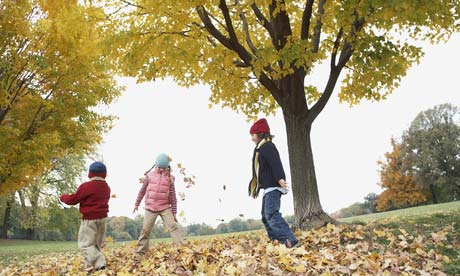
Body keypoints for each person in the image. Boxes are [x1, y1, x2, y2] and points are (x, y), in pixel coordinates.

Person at [248, 118, 299, 248]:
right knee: (265, 216)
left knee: (271, 214)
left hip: (274, 186)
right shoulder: (260, 149)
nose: (252, 138)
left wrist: (280, 178)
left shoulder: (268, 147)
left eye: (253, 135)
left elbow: (275, 164)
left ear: (260, 134)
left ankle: (290, 240)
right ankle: (276, 240)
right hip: (268, 188)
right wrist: (258, 187)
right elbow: (262, 171)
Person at [60, 161, 110, 273]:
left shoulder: (86, 187)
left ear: (90, 174)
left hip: (89, 219)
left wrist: (63, 197)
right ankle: (90, 267)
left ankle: (100, 263)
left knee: (85, 245)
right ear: (105, 174)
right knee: (95, 245)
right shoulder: (106, 187)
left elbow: (73, 200)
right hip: (103, 219)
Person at [133, 153, 185, 254]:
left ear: (167, 167)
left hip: (165, 207)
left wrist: (174, 212)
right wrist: (136, 204)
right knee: (145, 230)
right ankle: (140, 252)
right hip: (150, 207)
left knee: (173, 226)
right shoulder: (149, 176)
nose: (161, 169)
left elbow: (173, 196)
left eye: (164, 168)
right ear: (156, 165)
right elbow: (142, 191)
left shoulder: (170, 178)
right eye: (160, 167)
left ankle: (183, 249)